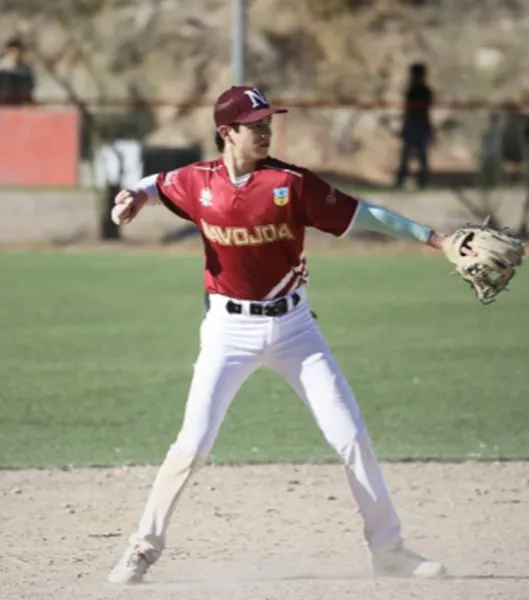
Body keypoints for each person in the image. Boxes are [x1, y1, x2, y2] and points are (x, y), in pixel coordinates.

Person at [106, 85, 451, 585]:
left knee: (351, 435)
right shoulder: (197, 181)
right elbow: (158, 184)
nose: (266, 130)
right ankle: (141, 549)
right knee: (192, 444)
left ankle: (389, 550)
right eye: (255, 124)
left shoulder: (291, 183)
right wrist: (134, 195)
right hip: (227, 331)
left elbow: (363, 213)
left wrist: (434, 239)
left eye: (268, 121)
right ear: (227, 132)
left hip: (295, 331)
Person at [394, 62, 434, 188]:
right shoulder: (413, 91)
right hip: (413, 126)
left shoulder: (423, 91)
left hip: (419, 126)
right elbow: (408, 111)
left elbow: (420, 110)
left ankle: (422, 181)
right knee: (407, 156)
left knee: (420, 156)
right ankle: (402, 180)